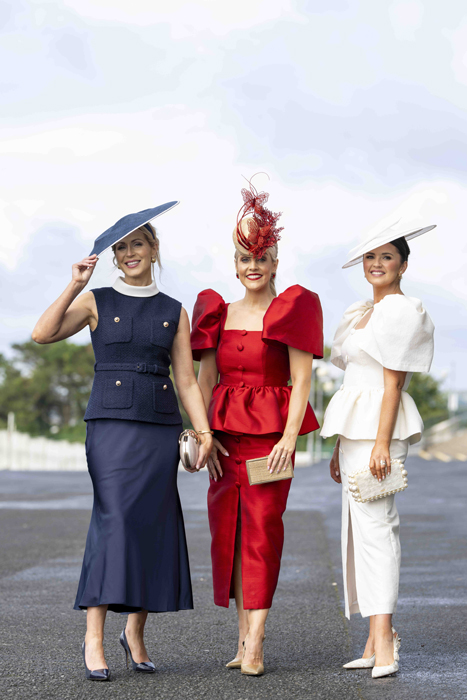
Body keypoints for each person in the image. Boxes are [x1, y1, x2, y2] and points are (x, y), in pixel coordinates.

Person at [32, 204, 213, 681]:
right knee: (114, 520)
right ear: (114, 257)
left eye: (137, 244)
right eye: (121, 248)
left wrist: (205, 431)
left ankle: (134, 632)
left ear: (154, 249)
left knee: (151, 523)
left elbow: (187, 381)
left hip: (159, 427)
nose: (129, 253)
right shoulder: (96, 300)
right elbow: (42, 333)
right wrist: (74, 283)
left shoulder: (174, 310)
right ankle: (93, 636)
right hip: (110, 427)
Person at [191, 179, 323, 676]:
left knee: (263, 533)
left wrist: (290, 439)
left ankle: (257, 642)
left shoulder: (291, 308)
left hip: (270, 440)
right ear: (235, 264)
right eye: (244, 258)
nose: (252, 266)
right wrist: (204, 434)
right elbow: (205, 380)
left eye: (261, 257)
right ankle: (242, 636)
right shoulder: (216, 313)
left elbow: (303, 377)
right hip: (224, 441)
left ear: (274, 261)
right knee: (229, 531)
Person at [321, 211, 435, 678]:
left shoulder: (402, 310)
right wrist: (338, 445)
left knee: (377, 530)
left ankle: (386, 638)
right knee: (356, 530)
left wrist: (382, 442)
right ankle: (372, 636)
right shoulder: (360, 312)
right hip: (355, 431)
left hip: (379, 433)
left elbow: (392, 384)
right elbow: (354, 382)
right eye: (371, 256)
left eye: (387, 256)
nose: (377, 263)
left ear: (403, 265)